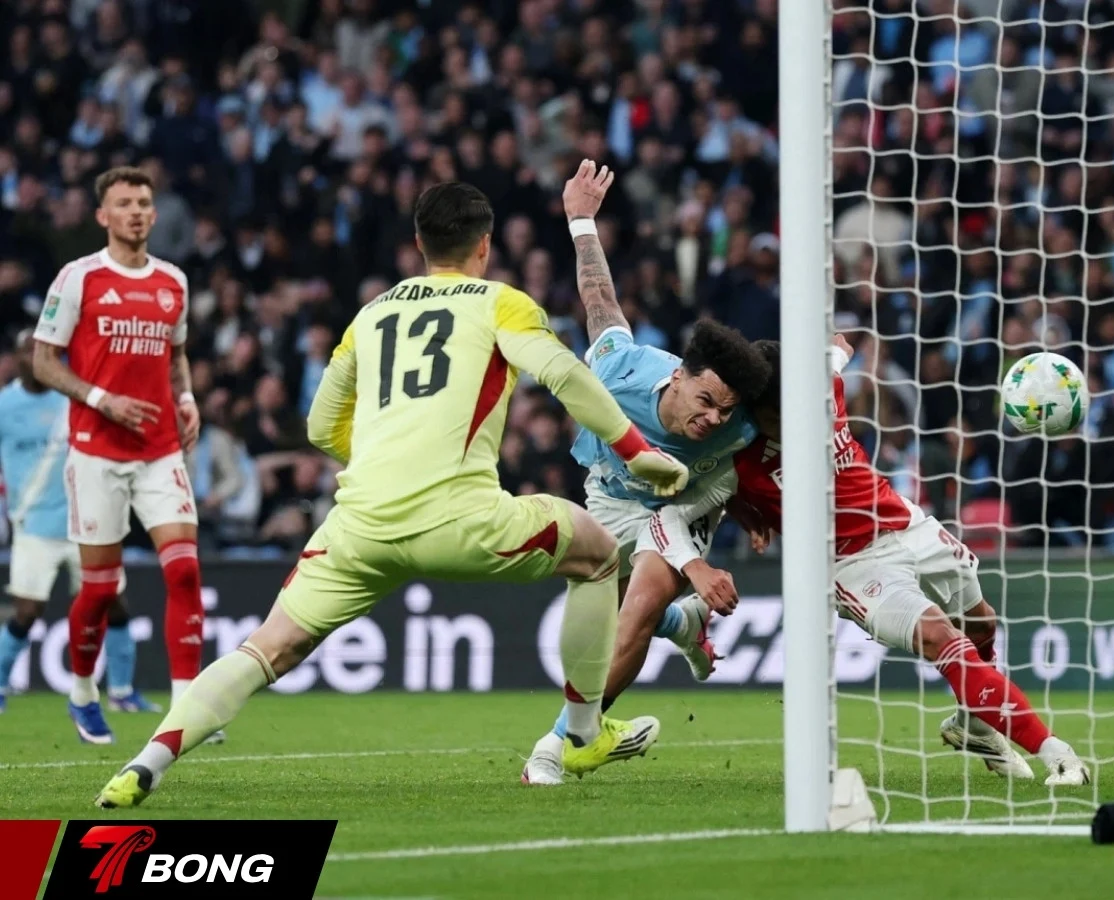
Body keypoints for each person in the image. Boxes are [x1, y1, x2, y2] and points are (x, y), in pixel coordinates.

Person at [93, 175, 690, 808]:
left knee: (266, 647)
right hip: (463, 521)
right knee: (596, 555)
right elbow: (566, 375)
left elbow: (321, 426)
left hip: (359, 526)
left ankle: (145, 763)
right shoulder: (500, 302)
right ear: (485, 246)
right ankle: (580, 731)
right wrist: (640, 454)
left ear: (417, 244)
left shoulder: (372, 313)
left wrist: (385, 454)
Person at [642, 338, 1092, 786]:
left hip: (905, 522)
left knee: (982, 626)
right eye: (783, 416)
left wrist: (836, 348)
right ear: (753, 415)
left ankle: (974, 725)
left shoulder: (822, 386)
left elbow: (838, 344)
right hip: (853, 566)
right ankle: (1057, 753)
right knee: (942, 637)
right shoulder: (733, 463)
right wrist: (694, 567)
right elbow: (666, 518)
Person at [521, 162, 770, 785]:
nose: (714, 419)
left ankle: (558, 746)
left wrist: (750, 507)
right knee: (611, 613)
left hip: (684, 508)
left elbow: (767, 460)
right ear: (678, 376)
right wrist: (581, 219)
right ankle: (682, 625)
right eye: (705, 401)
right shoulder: (620, 369)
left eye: (727, 411)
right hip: (609, 496)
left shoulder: (743, 426)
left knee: (644, 594)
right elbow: (599, 299)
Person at [32, 166, 206, 746]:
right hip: (96, 452)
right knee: (102, 590)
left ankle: (187, 710)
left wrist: (185, 398)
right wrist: (102, 399)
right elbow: (43, 361)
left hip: (159, 449)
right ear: (102, 216)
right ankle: (82, 693)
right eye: (123, 203)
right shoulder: (78, 278)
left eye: (143, 202)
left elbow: (176, 355)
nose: (135, 211)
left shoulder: (173, 282)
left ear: (155, 216)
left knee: (183, 568)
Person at [0, 329, 161, 717]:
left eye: (44, 351)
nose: (36, 358)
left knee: (115, 604)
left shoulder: (75, 397)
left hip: (86, 521)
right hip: (34, 526)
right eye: (29, 352)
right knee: (27, 611)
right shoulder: (4, 406)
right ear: (18, 359)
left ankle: (122, 691)